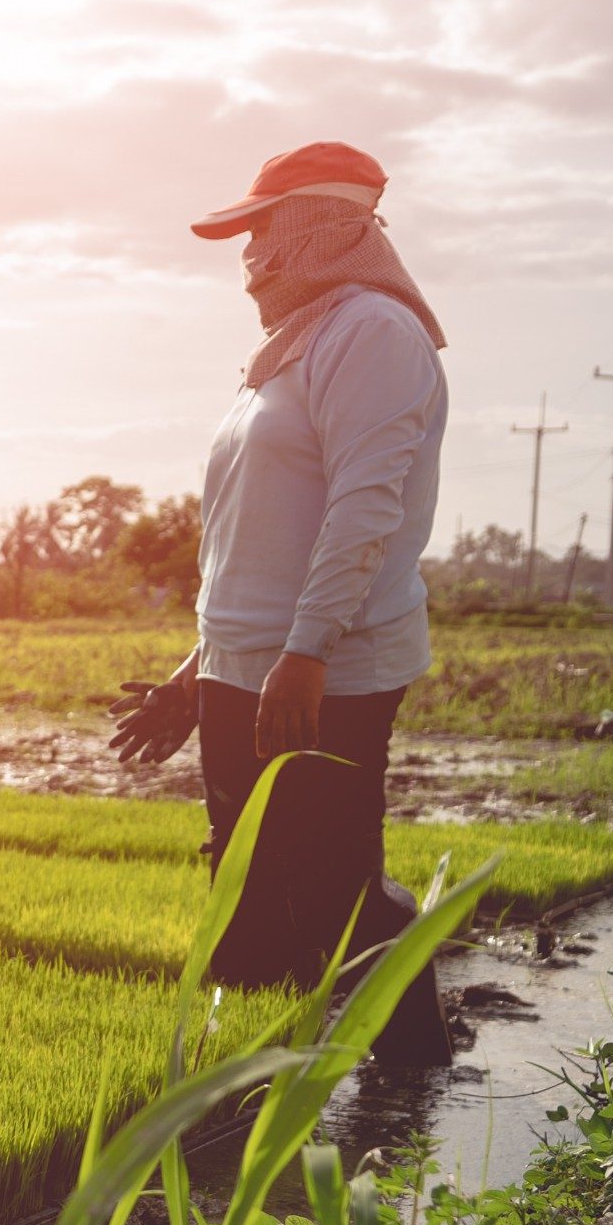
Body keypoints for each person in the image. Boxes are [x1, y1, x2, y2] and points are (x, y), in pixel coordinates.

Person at [106, 139, 450, 1062]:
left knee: (338, 888)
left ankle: (413, 1070)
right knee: (244, 877)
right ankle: (247, 1109)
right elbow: (246, 536)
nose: (248, 256)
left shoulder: (373, 333)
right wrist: (198, 672)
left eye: (259, 229)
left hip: (328, 669)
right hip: (248, 666)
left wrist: (306, 651)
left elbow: (363, 508)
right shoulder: (287, 349)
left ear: (315, 226)